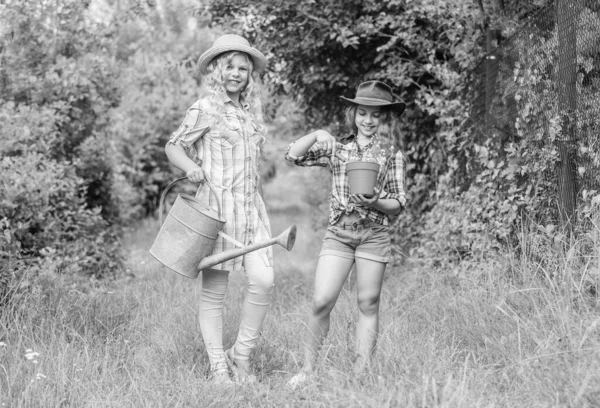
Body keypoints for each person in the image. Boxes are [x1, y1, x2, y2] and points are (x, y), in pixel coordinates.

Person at [165, 34, 273, 385]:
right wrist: (189, 168)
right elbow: (174, 146)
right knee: (215, 291)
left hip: (251, 212)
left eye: (243, 68)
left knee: (263, 279)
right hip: (218, 213)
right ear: (217, 69)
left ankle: (240, 356)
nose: (237, 73)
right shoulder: (205, 108)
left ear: (249, 75)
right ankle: (218, 368)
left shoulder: (249, 113)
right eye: (230, 66)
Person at [284, 81, 407, 388]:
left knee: (368, 302)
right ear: (353, 114)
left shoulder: (392, 154)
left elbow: (399, 203)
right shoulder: (338, 150)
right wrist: (317, 134)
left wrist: (376, 200)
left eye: (375, 115)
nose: (368, 120)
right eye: (362, 113)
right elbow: (292, 156)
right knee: (322, 300)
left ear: (384, 119)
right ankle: (308, 370)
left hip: (374, 233)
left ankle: (361, 374)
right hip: (339, 233)